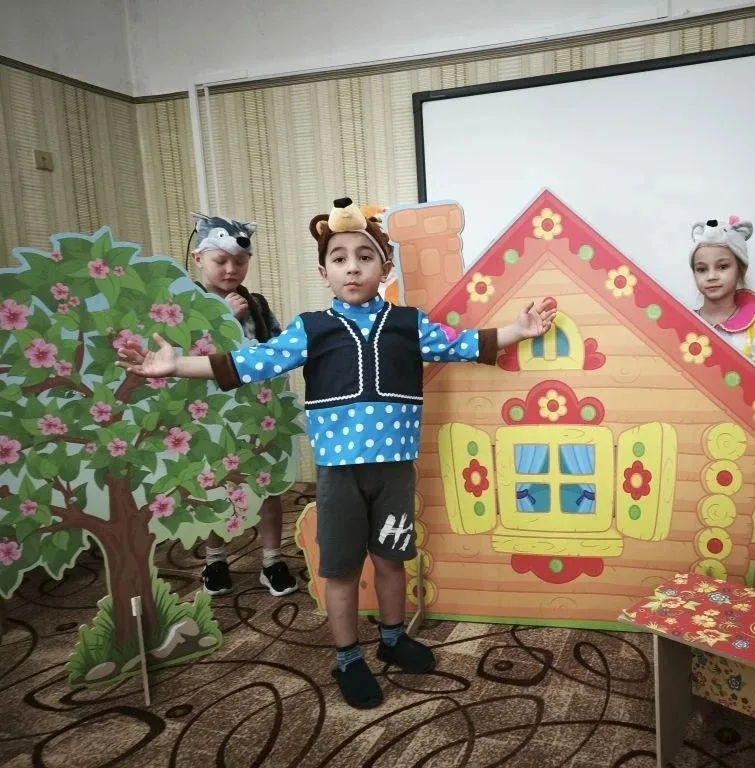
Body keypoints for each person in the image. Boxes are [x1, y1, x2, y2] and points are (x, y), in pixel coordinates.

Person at [118, 197, 556, 709]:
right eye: (340, 258)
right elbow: (251, 362)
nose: (352, 267)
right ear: (323, 271)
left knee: (393, 558)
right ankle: (348, 657)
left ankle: (392, 638)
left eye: (365, 257)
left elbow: (461, 344)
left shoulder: (409, 323)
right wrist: (176, 366)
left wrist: (518, 331)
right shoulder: (311, 328)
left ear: (384, 269)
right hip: (338, 475)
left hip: (394, 471)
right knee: (342, 568)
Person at [189, 213, 299, 598]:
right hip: (209, 416)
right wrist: (226, 320)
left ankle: (272, 559)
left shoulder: (257, 304)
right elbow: (187, 355)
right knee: (213, 486)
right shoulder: (187, 305)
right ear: (198, 259)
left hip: (257, 413)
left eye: (239, 261)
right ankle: (215, 558)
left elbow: (277, 348)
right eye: (220, 261)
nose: (231, 269)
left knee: (269, 484)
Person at [689, 216, 755, 371]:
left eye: (722, 267)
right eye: (702, 269)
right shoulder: (684, 323)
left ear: (740, 270)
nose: (711, 276)